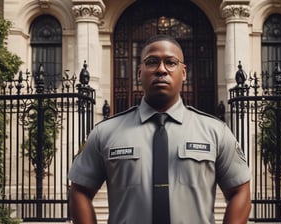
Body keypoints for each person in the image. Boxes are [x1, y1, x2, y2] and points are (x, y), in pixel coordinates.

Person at [68, 34, 251, 224]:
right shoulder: (104, 133)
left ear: (184, 73)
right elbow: (80, 190)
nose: (161, 70)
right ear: (139, 73)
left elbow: (240, 190)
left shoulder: (216, 132)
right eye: (152, 62)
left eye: (171, 63)